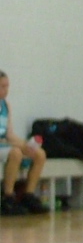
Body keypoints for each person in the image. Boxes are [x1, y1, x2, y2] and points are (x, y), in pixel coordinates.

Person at [0, 71, 49, 215]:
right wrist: (19, 146)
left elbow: (9, 134)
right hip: (3, 146)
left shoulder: (6, 106)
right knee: (15, 153)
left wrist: (26, 145)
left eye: (7, 86)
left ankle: (28, 195)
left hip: (5, 144)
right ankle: (8, 197)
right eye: (2, 86)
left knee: (39, 153)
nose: (6, 90)